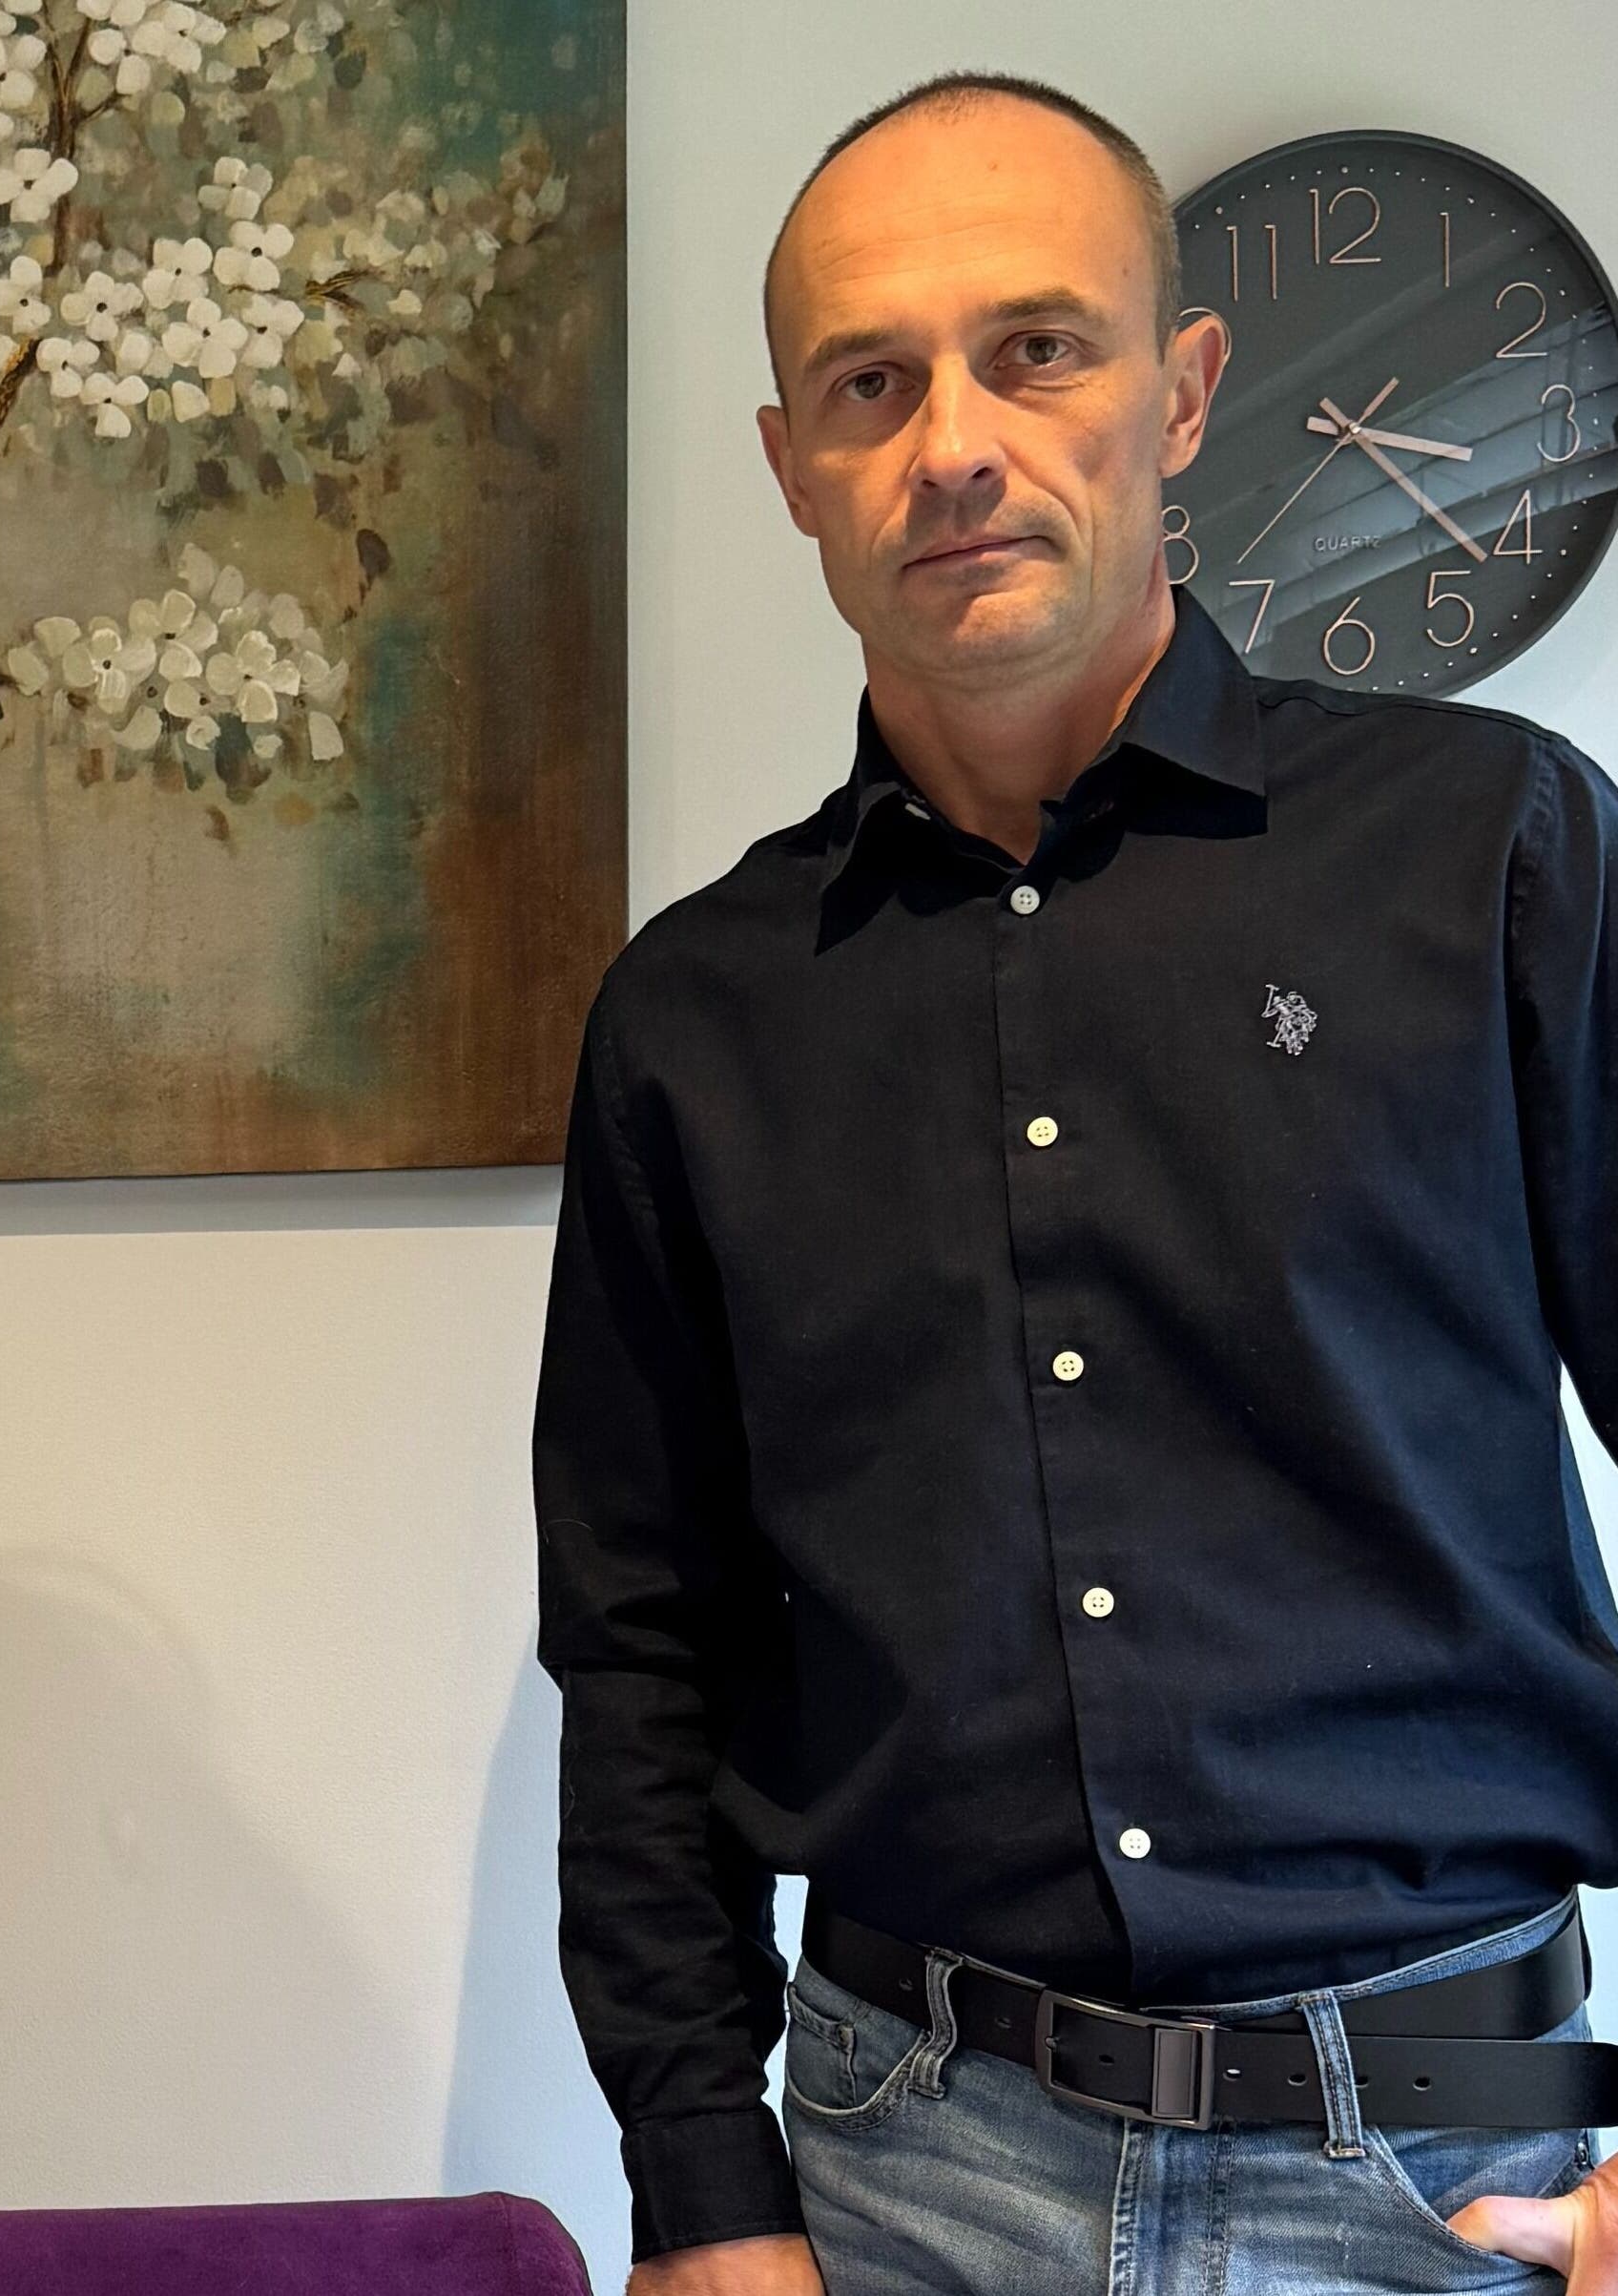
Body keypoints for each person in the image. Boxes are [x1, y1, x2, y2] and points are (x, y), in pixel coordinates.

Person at [536, 72, 1618, 2296]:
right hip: (900, 2170)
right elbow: (639, 1645)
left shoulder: (1490, 849)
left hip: (1452, 2177)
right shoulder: (694, 1017)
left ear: (1182, 391)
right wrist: (695, 2189)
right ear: (790, 470)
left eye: (1032, 346)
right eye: (867, 380)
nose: (950, 439)